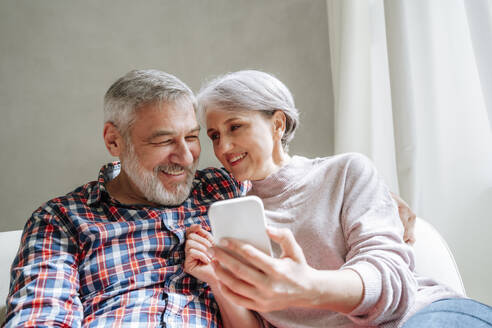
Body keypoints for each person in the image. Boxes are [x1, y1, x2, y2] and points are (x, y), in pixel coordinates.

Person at [3, 69, 415, 328]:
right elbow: (40, 313)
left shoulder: (225, 189)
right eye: (164, 141)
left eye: (194, 138)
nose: (185, 157)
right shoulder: (62, 219)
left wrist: (382, 199)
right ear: (115, 140)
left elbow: (293, 178)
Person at [184, 70, 492, 327]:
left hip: (418, 316)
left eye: (235, 127)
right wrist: (217, 279)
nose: (223, 147)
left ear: (277, 124)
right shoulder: (232, 216)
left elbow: (391, 284)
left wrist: (307, 287)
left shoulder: (345, 172)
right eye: (214, 135)